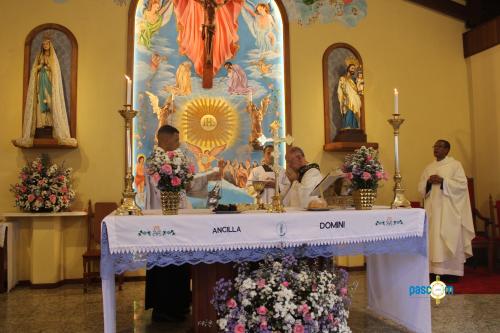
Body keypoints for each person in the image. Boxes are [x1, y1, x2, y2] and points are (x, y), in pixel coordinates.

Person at [144, 125, 221, 322]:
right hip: (162, 219)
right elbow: (169, 185)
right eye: (176, 140)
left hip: (177, 217)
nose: (178, 144)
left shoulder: (173, 160)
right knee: (165, 265)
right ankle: (164, 308)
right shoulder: (155, 161)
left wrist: (210, 174)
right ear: (165, 139)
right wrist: (204, 175)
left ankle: (179, 304)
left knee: (178, 263)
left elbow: (186, 185)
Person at [418, 139, 475, 282]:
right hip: (433, 211)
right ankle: (434, 272)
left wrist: (443, 181)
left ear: (447, 150)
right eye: (435, 146)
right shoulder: (429, 167)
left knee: (449, 237)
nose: (436, 149)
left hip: (449, 211)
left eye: (440, 146)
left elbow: (462, 185)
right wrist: (428, 183)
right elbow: (420, 188)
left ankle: (451, 273)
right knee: (434, 240)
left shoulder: (455, 165)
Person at [16, 37, 76, 148]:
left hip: (49, 83)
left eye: (47, 44)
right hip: (41, 82)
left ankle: (51, 123)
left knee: (50, 103)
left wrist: (48, 66)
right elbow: (35, 69)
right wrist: (40, 66)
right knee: (40, 104)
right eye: (43, 44)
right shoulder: (40, 56)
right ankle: (41, 124)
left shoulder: (53, 58)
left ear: (50, 45)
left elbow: (55, 72)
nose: (45, 46)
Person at [337, 63, 361, 129]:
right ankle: (347, 126)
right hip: (348, 98)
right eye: (352, 68)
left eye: (354, 69)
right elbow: (341, 89)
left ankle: (354, 126)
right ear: (348, 69)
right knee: (349, 110)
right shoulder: (343, 78)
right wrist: (344, 96)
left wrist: (359, 84)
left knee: (354, 111)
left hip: (355, 98)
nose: (353, 70)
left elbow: (358, 90)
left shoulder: (354, 80)